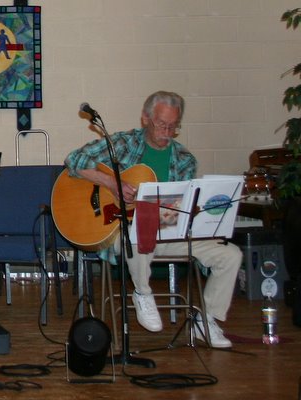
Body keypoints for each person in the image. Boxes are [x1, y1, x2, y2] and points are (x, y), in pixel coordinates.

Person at [64, 90, 242, 348]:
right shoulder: (123, 144)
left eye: (173, 126)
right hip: (122, 235)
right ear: (145, 119)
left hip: (168, 233)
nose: (167, 132)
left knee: (231, 255)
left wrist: (199, 215)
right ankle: (142, 293)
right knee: (139, 235)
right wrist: (112, 183)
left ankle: (206, 321)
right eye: (162, 124)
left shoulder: (184, 160)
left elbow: (180, 211)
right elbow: (74, 160)